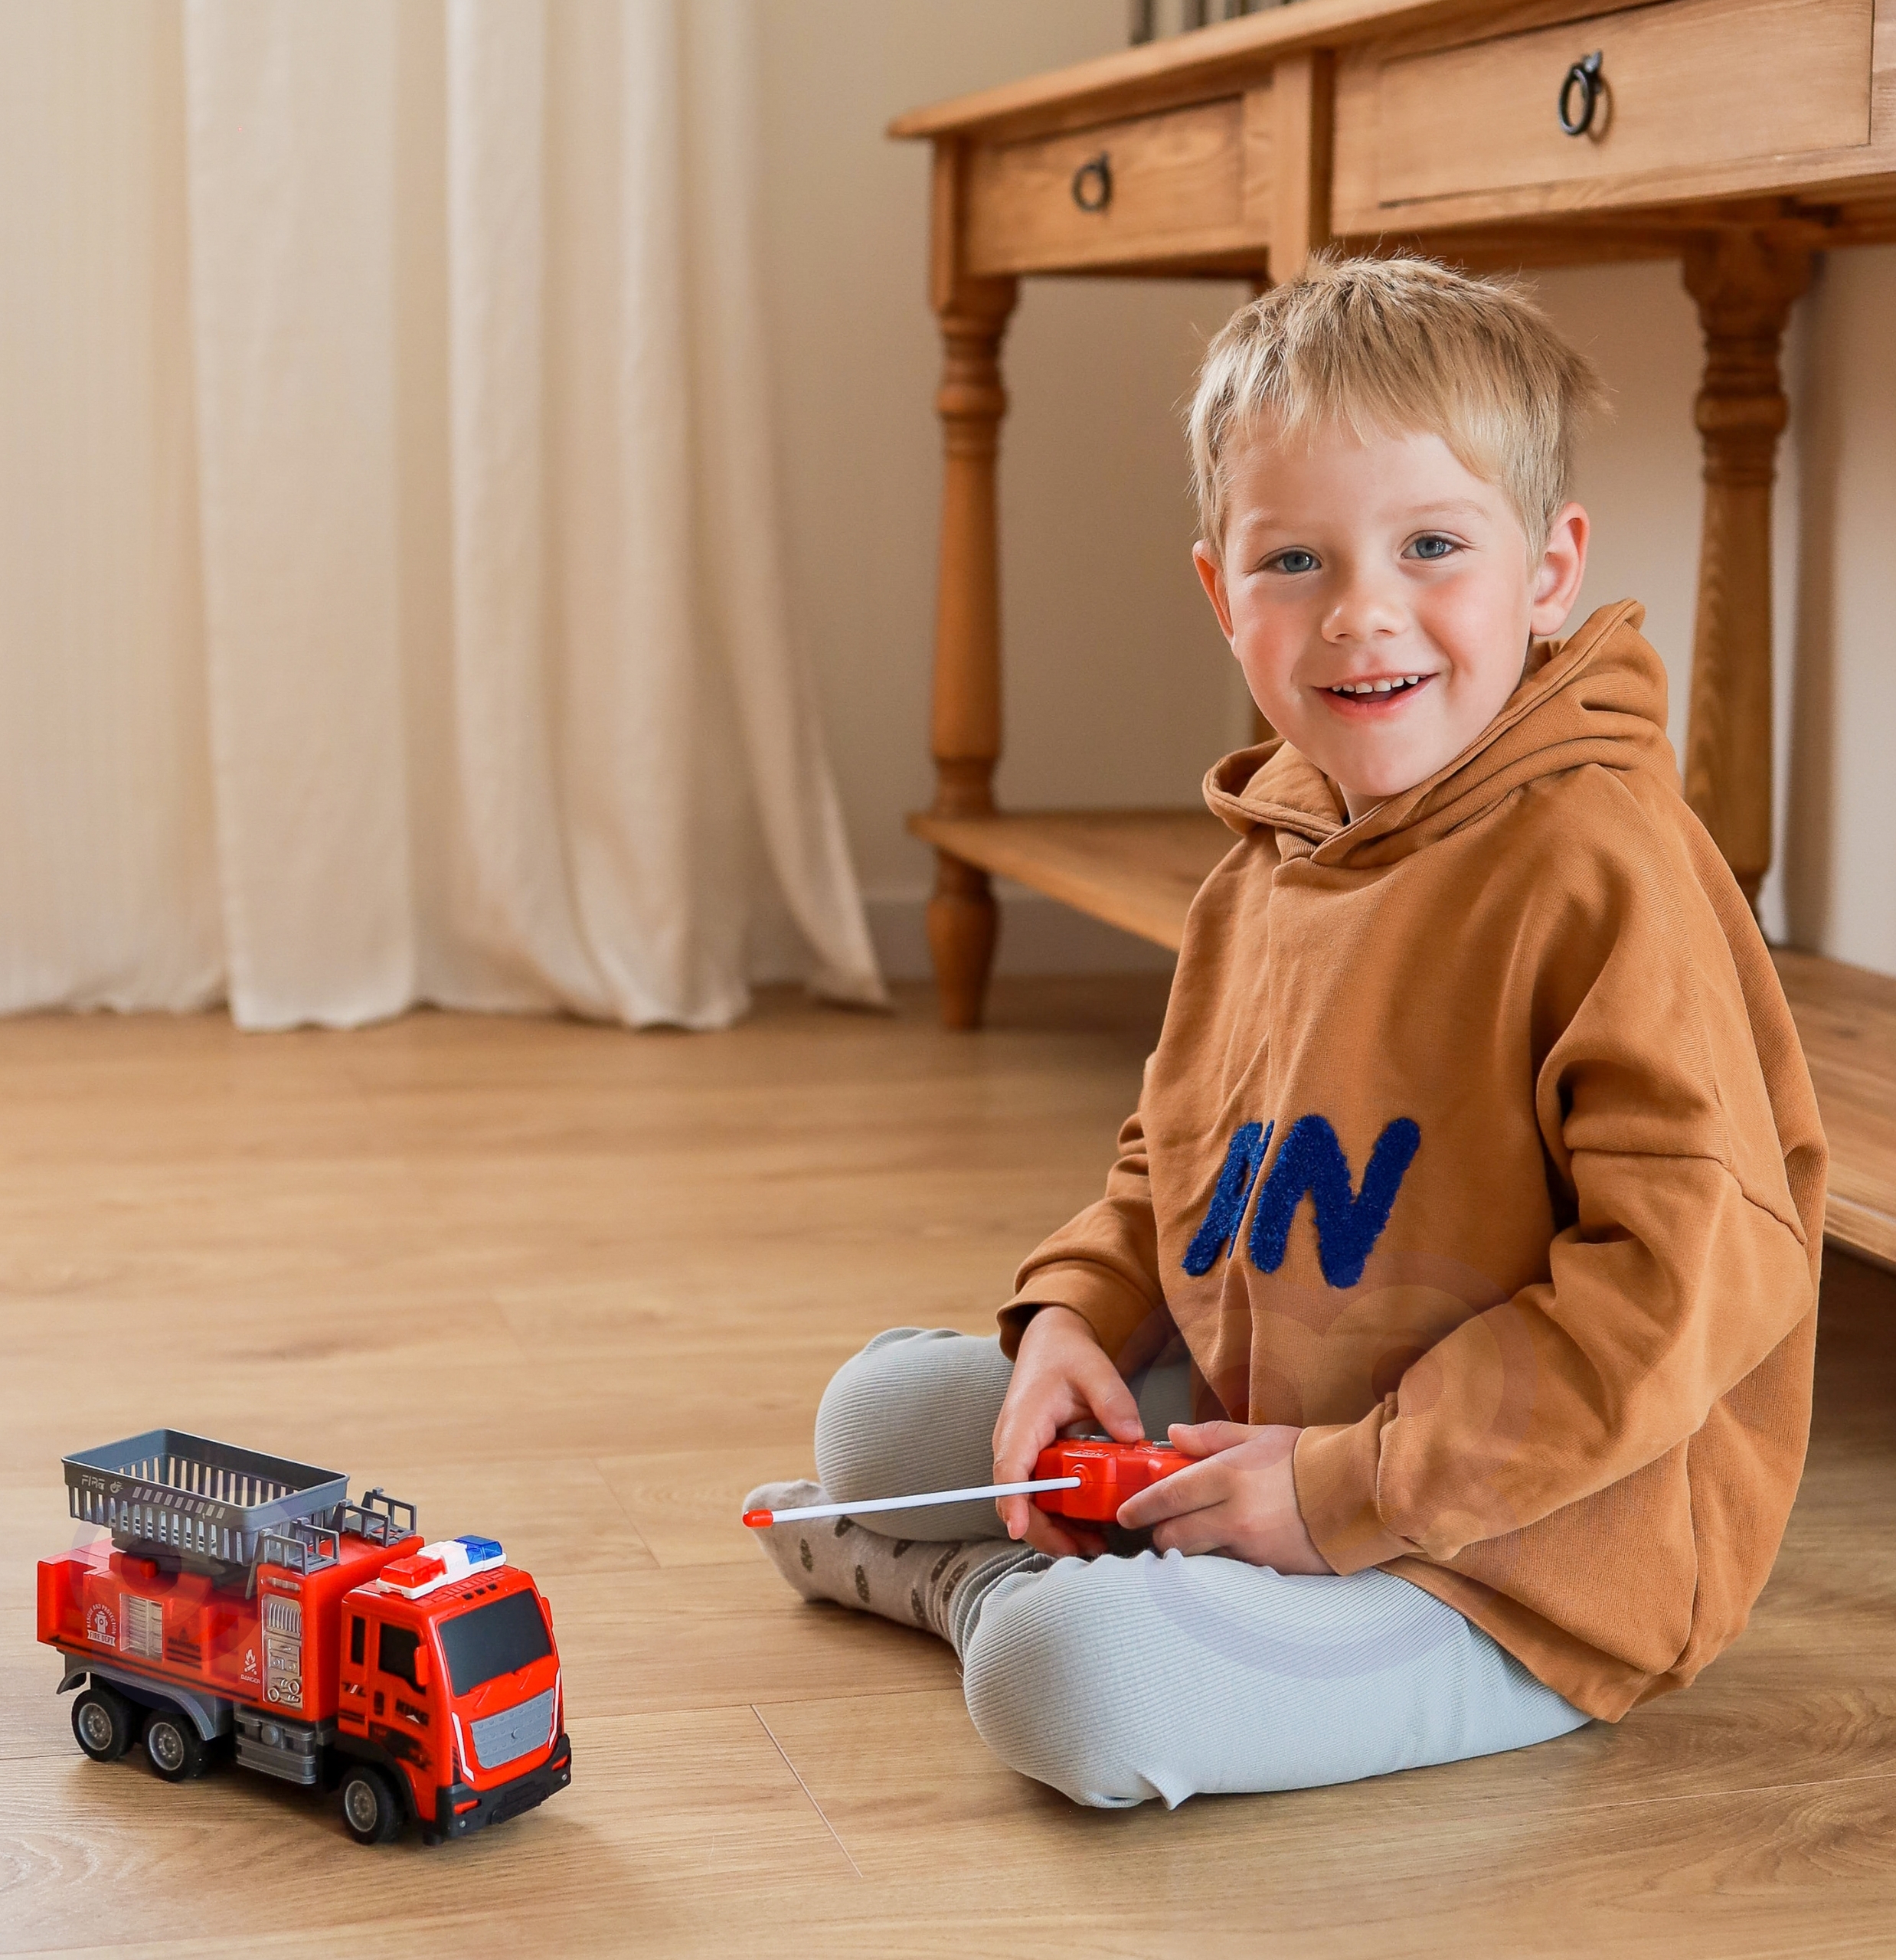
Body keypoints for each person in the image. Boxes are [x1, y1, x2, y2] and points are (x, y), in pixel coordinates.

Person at [745, 255, 1826, 1810]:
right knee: (876, 1422)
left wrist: (1345, 1487)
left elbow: (1684, 1285)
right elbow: (1178, 1155)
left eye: (1431, 545)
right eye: (1295, 560)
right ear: (1221, 594)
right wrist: (1077, 1317)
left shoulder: (1603, 868)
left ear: (1547, 570)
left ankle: (991, 1595)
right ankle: (1083, 1566)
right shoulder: (1273, 849)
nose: (1361, 611)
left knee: (1068, 1679)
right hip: (1287, 1410)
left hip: (1517, 1546)